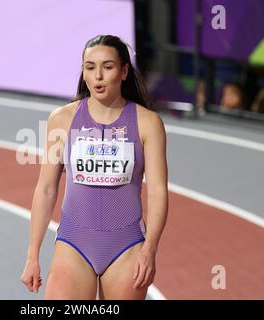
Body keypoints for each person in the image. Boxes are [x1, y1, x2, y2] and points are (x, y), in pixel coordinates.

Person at [21, 35, 169, 300]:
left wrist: (150, 250)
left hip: (127, 247)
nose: (98, 76)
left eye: (107, 67)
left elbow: (157, 191)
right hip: (73, 245)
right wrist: (32, 255)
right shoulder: (62, 119)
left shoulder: (148, 123)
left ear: (124, 71)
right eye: (90, 68)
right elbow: (45, 189)